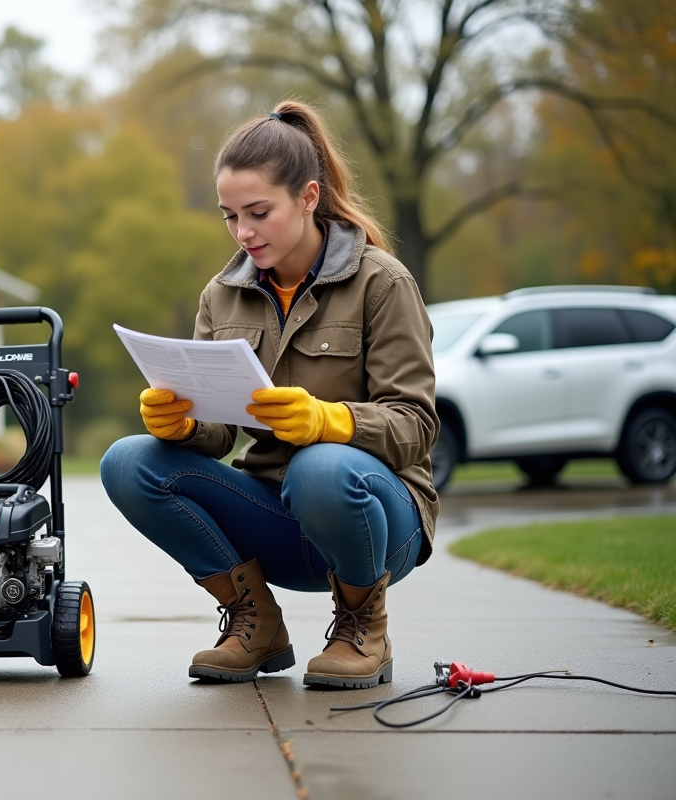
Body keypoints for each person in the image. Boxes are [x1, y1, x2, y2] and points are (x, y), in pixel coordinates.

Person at [100, 100, 438, 688]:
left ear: (308, 197)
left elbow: (416, 425)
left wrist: (329, 422)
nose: (243, 232)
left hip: (380, 523)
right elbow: (220, 434)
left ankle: (364, 626)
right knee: (127, 462)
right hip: (277, 518)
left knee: (319, 466)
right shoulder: (221, 294)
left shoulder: (382, 282)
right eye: (230, 216)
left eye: (258, 212)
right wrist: (184, 425)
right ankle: (255, 623)